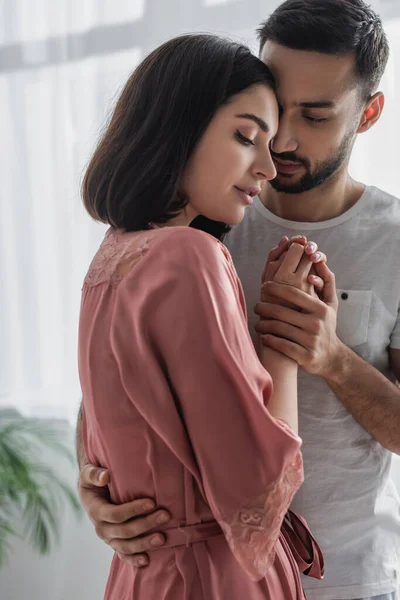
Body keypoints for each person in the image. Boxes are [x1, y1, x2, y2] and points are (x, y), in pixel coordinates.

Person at [78, 2, 400, 600]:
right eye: (273, 113)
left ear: (369, 112)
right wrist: (96, 485)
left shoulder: (396, 240)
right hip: (223, 575)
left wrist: (331, 357)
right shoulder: (206, 221)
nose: (282, 141)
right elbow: (121, 381)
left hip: (352, 579)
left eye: (316, 115)